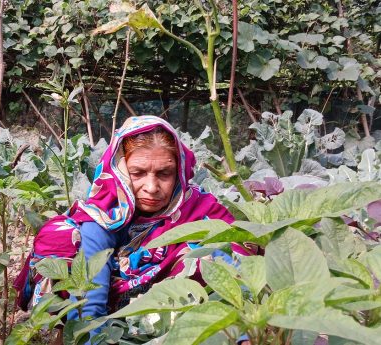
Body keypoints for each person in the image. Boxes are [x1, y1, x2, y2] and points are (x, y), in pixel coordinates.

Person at [14, 116, 249, 338]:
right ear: (120, 170)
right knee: (64, 241)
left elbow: (238, 269)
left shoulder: (199, 207)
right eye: (138, 173)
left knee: (216, 249)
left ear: (179, 172)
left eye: (164, 174)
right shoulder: (104, 214)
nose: (152, 187)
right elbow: (90, 304)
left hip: (177, 317)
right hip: (109, 313)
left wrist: (246, 333)